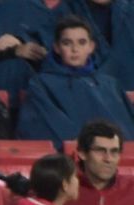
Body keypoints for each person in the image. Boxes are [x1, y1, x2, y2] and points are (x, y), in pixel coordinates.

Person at [15, 15, 134, 148]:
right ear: (56, 47)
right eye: (67, 43)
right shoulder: (41, 84)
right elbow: (41, 130)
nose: (75, 49)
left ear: (91, 46)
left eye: (81, 42)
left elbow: (128, 129)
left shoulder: (111, 85)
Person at [69, 120, 134, 205]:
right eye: (100, 151)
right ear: (82, 153)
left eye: (114, 152)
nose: (108, 159)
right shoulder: (63, 188)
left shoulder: (132, 187)